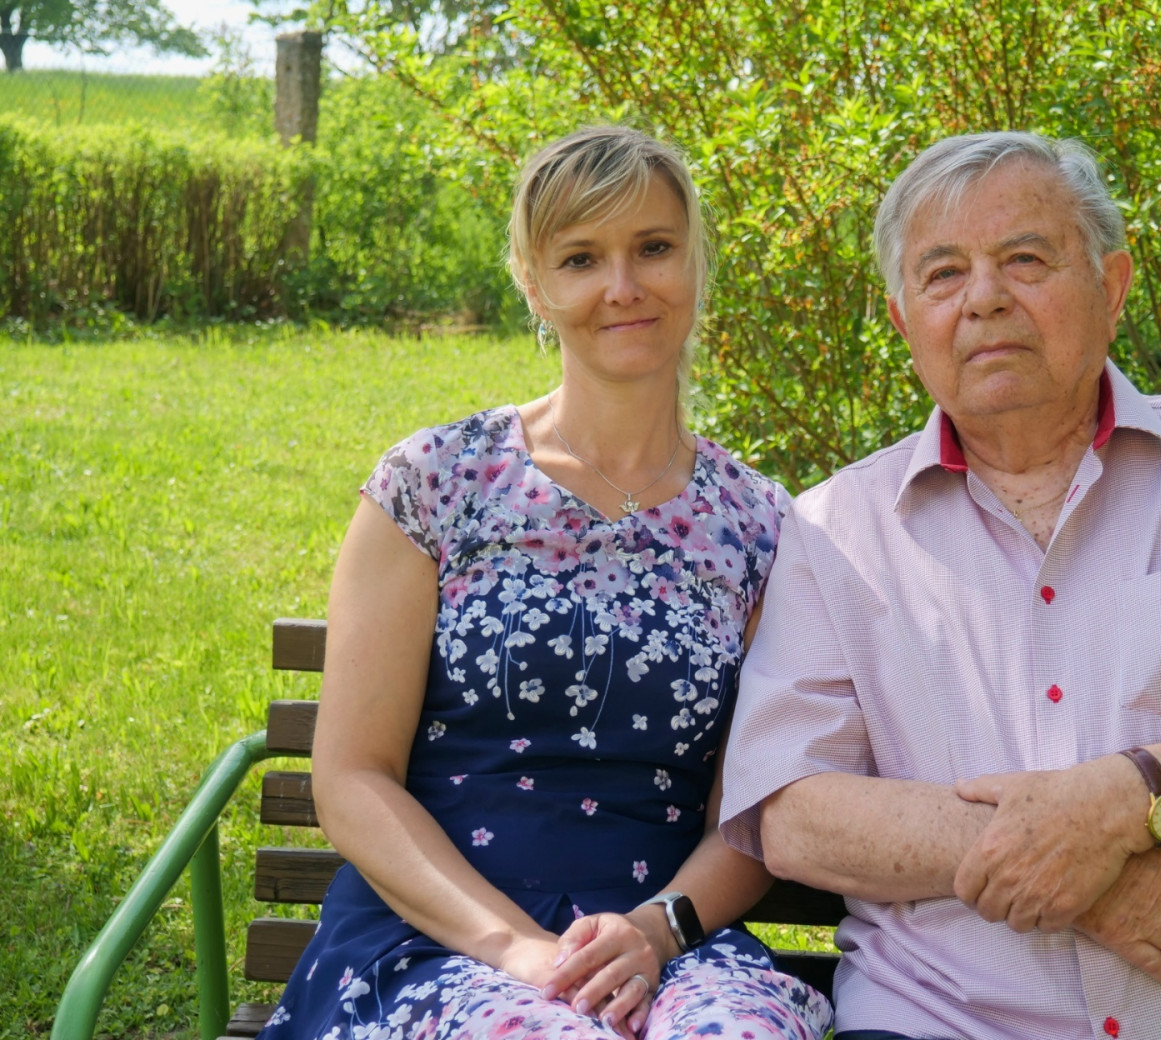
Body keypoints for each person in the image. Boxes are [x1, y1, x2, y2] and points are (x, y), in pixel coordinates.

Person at [720, 132, 1161, 1040]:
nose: (985, 298)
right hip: (947, 1023)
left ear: (1113, 287)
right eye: (944, 274)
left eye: (1026, 259)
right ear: (904, 322)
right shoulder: (834, 530)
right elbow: (793, 813)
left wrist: (1123, 803)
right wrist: (1063, 858)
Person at [260, 127, 832, 1040]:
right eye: (581, 258)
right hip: (440, 940)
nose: (623, 286)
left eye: (654, 247)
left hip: (669, 946)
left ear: (696, 261)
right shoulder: (433, 485)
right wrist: (521, 952)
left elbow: (750, 807)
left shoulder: (760, 524)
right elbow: (354, 777)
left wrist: (656, 932)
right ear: (533, 283)